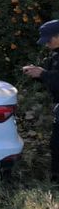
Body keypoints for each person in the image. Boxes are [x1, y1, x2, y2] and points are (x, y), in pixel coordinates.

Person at [23, 19, 59, 182]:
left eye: (49, 40)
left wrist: (42, 74)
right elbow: (51, 77)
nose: (46, 44)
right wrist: (37, 73)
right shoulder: (55, 54)